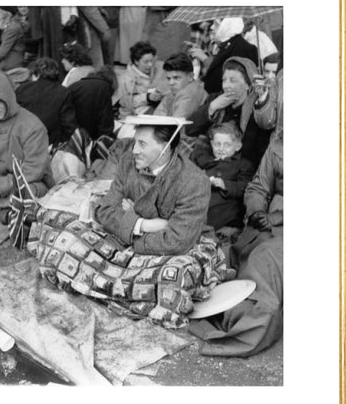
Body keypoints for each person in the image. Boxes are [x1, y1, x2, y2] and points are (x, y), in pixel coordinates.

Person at [190, 136, 283, 356]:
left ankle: (249, 326)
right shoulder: (279, 145)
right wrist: (256, 211)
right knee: (224, 255)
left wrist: (277, 218)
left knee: (263, 260)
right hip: (265, 222)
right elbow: (258, 187)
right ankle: (211, 308)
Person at [95, 116, 211, 255]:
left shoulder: (194, 182)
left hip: (171, 252)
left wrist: (128, 226)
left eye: (142, 144)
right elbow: (106, 212)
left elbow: (176, 242)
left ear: (166, 148)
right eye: (135, 142)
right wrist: (145, 225)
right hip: (140, 240)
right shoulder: (127, 161)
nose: (134, 150)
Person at [0, 70, 53, 223]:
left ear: (9, 99)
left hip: (23, 183)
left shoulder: (32, 126)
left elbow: (32, 170)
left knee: (27, 193)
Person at [185, 56, 272, 170]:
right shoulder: (215, 99)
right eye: (224, 80)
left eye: (233, 80)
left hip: (238, 171)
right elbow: (190, 129)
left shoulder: (257, 109)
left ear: (248, 84)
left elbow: (255, 152)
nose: (226, 85)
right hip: (207, 164)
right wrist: (212, 107)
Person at [190, 122, 254, 230]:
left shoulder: (243, 165)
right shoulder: (205, 159)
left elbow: (245, 187)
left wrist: (224, 184)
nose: (221, 149)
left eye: (227, 145)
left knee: (213, 213)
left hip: (226, 204)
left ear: (238, 146)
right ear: (211, 144)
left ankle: (199, 228)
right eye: (217, 144)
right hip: (202, 198)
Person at [15, 57, 76, 146]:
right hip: (51, 144)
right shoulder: (63, 92)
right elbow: (68, 125)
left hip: (24, 141)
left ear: (36, 74)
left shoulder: (22, 89)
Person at [189, 17, 258, 96]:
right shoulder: (226, 44)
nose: (212, 27)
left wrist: (204, 59)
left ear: (227, 25)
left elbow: (222, 75)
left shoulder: (243, 48)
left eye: (216, 25)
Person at [117, 41, 169, 118]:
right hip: (133, 116)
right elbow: (126, 102)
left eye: (151, 61)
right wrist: (148, 97)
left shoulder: (160, 68)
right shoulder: (125, 78)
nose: (150, 65)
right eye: (146, 62)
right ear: (136, 61)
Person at [67, 65, 117, 140]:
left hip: (71, 136)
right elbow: (105, 124)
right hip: (86, 138)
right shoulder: (104, 87)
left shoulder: (75, 86)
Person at [154, 52, 208, 119]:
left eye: (176, 78)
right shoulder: (175, 92)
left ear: (190, 77)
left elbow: (175, 125)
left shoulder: (188, 94)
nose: (171, 83)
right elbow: (157, 117)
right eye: (168, 78)